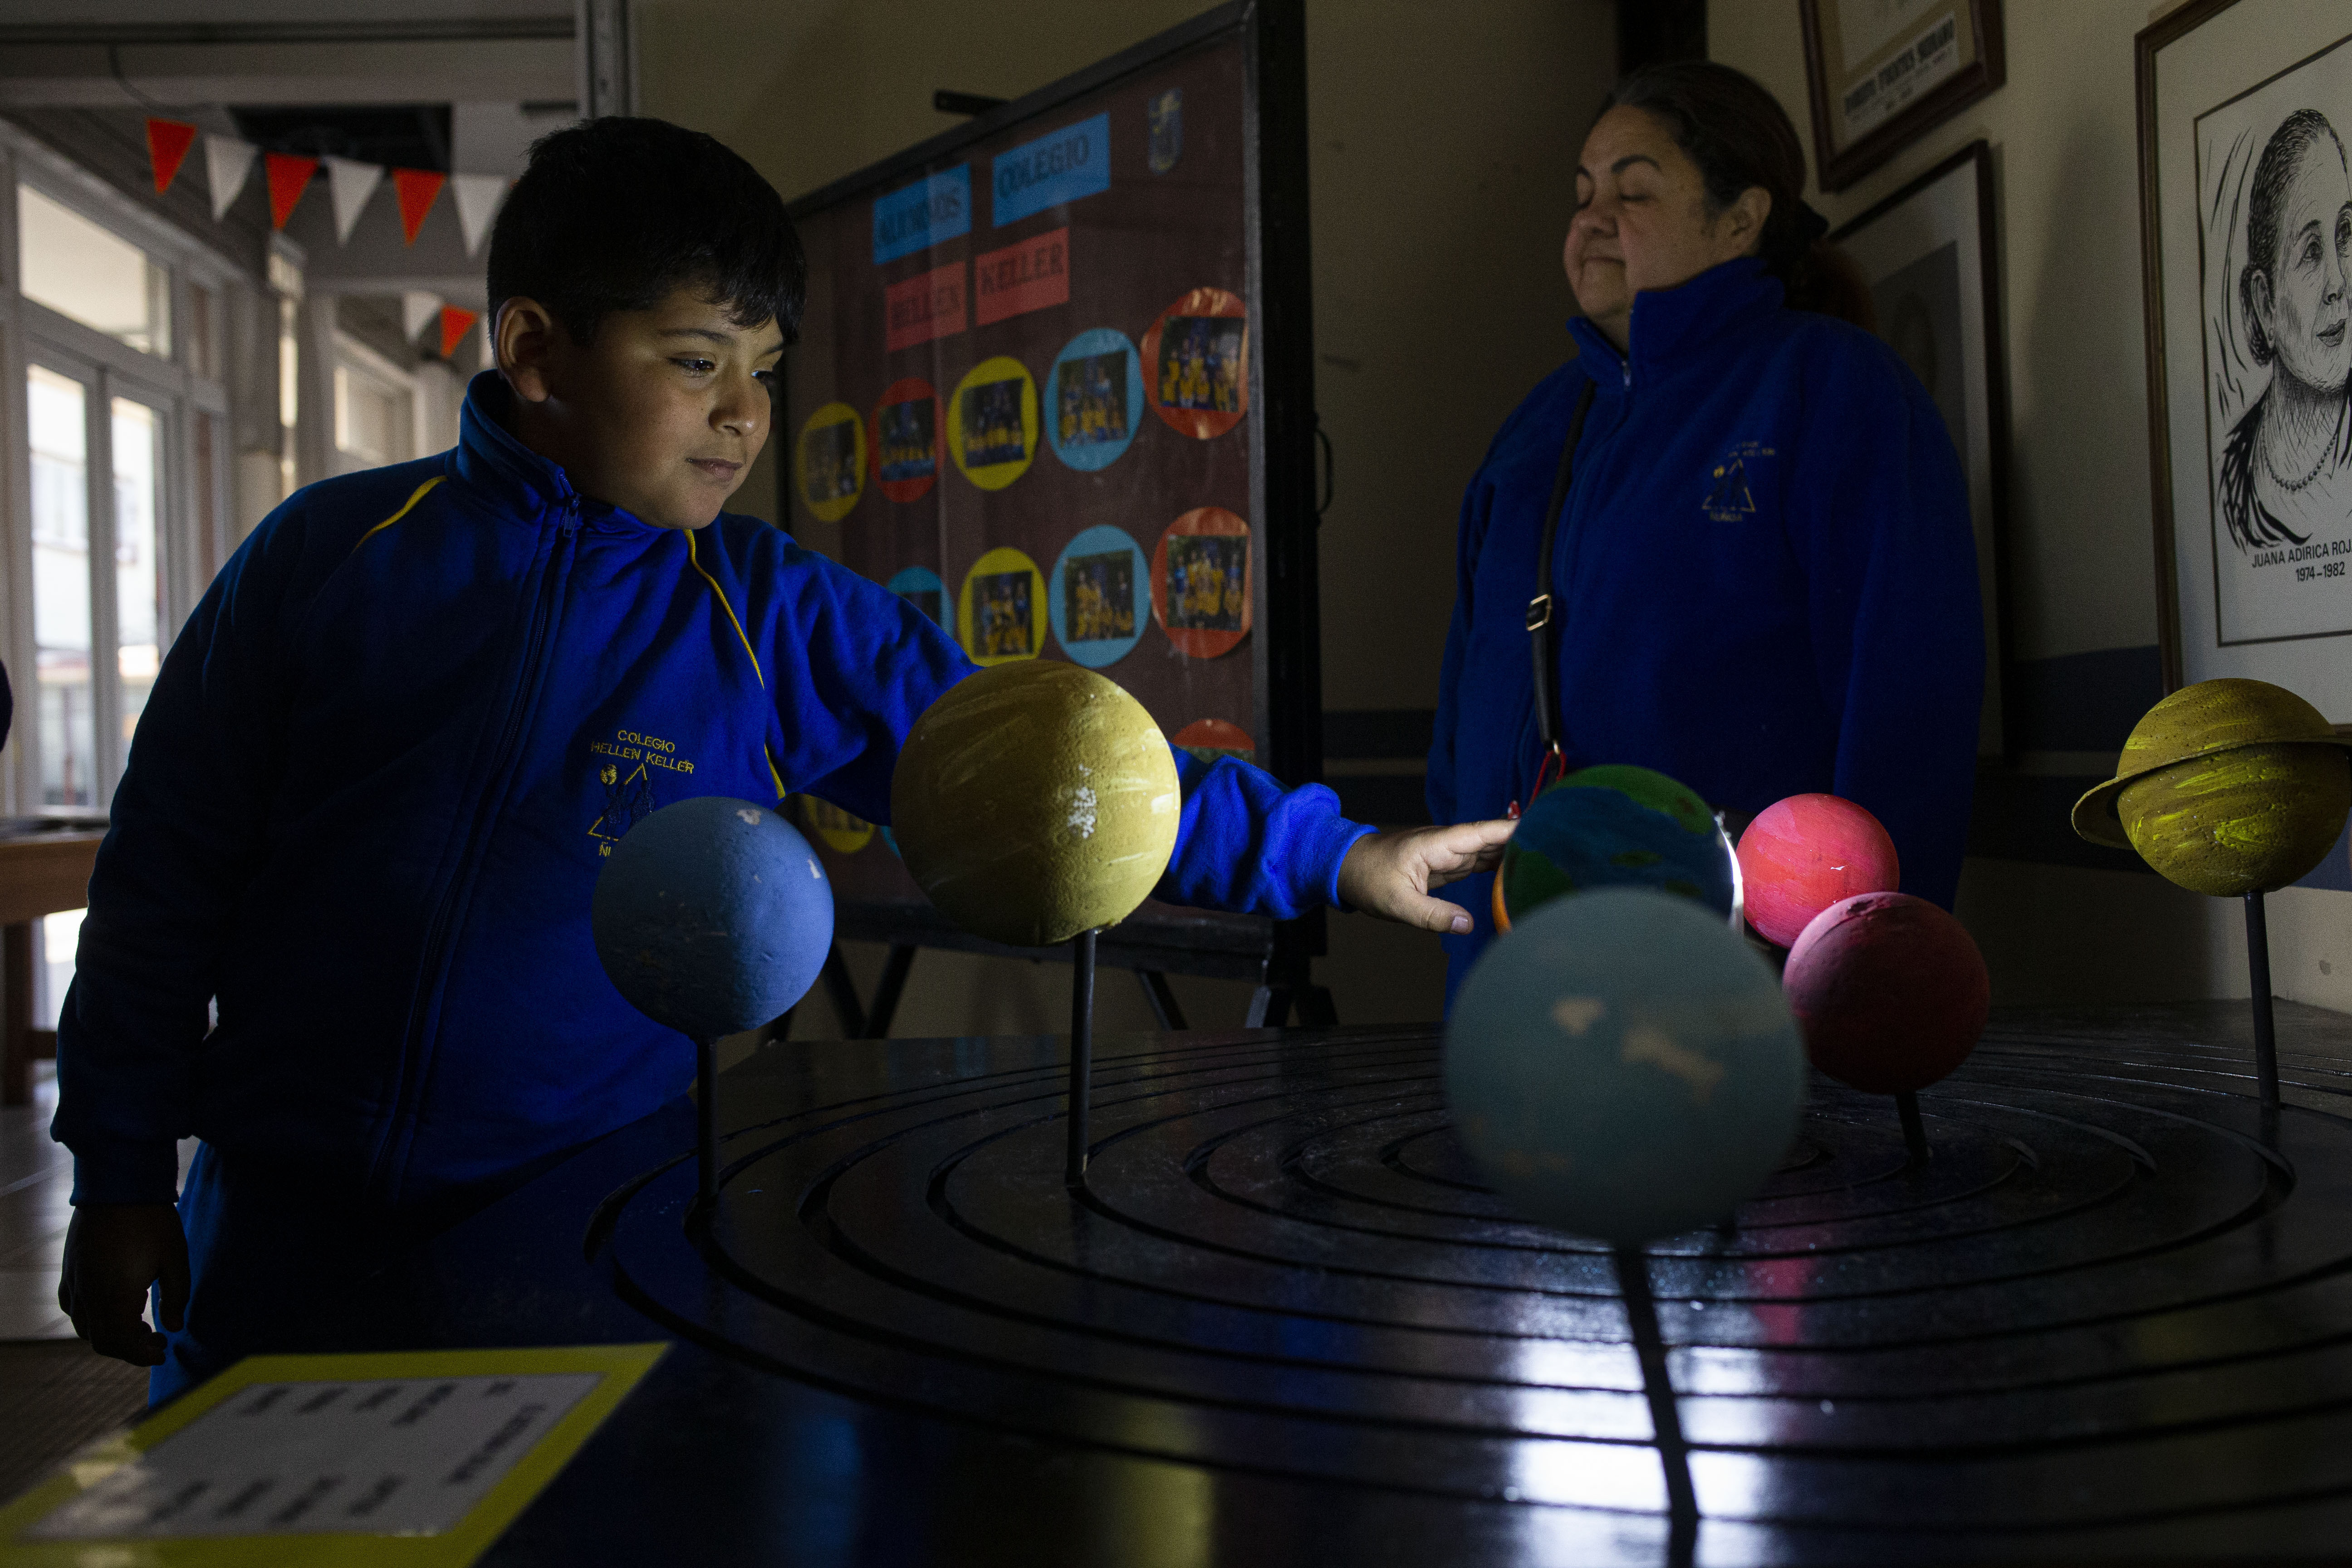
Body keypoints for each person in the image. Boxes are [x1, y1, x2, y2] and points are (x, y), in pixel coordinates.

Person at [52, 118, 1513, 1400]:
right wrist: (120, 1172)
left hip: (587, 1213)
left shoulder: (772, 613)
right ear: (535, 350)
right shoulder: (327, 558)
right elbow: (164, 877)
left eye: (760, 369)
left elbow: (1056, 774)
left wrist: (1335, 853)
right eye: (695, 364)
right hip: (276, 1224)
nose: (744, 413)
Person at [1428, 61, 1983, 1004]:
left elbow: (1908, 703)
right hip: (1513, 979)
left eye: (1634, 189)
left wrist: (1870, 973)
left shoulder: (1833, 388)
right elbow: (1458, 719)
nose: (1593, 217)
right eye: (1583, 193)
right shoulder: (1532, 430)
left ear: (1741, 217)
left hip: (1737, 989)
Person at [2217, 108, 2352, 554]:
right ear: (2265, 303)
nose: (2339, 283)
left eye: (2346, 233)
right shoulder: (2233, 479)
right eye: (2312, 251)